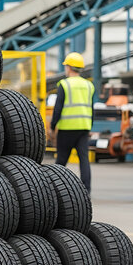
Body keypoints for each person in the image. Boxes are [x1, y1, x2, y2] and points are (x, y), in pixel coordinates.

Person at [50, 52, 94, 193]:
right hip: (84, 127)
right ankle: (86, 190)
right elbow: (91, 107)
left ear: (69, 67)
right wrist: (90, 126)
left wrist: (52, 126)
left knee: (61, 160)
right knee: (84, 160)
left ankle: (55, 188)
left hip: (67, 128)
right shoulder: (89, 85)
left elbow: (58, 108)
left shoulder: (64, 84)